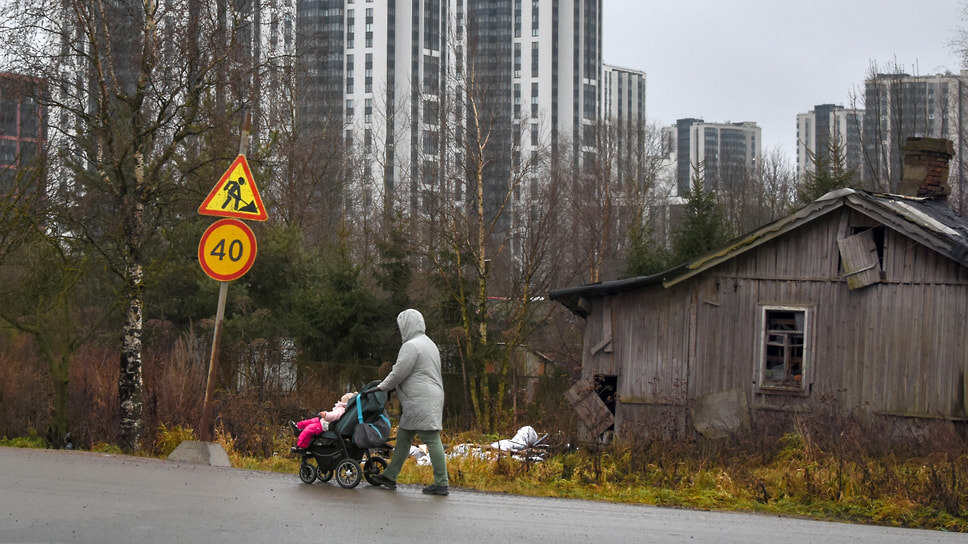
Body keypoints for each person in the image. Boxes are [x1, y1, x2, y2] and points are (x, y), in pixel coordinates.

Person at [368, 309, 449, 495]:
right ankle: (390, 475)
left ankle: (442, 482)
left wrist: (382, 387)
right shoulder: (429, 344)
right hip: (427, 397)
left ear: (406, 325)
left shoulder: (411, 346)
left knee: (431, 438)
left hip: (420, 400)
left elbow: (399, 372)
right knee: (404, 437)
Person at [289, 392, 355, 453]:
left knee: (309, 429)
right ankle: (298, 426)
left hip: (326, 426)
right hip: (325, 422)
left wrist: (325, 414)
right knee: (313, 420)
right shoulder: (345, 410)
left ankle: (301, 446)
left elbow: (334, 415)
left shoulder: (341, 410)